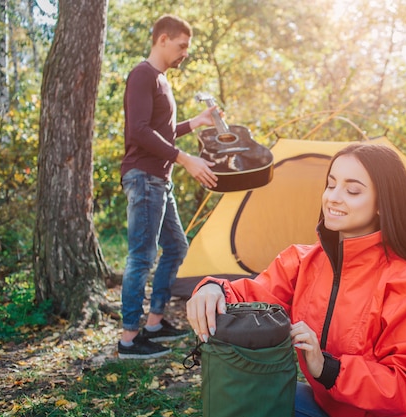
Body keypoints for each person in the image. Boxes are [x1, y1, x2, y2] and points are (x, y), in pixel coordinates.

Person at [187, 143, 406, 416]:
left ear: (383, 204)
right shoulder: (304, 261)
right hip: (329, 406)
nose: (333, 198)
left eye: (352, 190)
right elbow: (254, 296)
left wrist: (326, 367)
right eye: (331, 184)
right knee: (248, 396)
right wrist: (212, 289)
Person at [118, 15, 221, 359]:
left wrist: (198, 122)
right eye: (182, 46)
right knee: (142, 256)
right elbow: (140, 132)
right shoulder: (142, 75)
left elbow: (163, 131)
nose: (184, 54)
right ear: (163, 40)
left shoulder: (161, 80)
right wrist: (185, 159)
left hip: (159, 180)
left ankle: (154, 323)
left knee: (176, 247)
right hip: (144, 176)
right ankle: (129, 339)